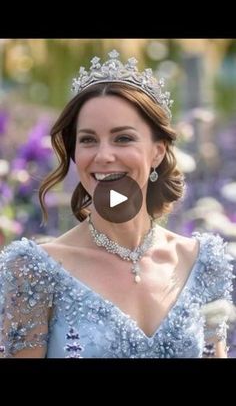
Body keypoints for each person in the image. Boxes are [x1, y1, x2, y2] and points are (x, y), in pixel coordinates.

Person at [0, 49, 235, 358]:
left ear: (158, 152)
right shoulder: (33, 271)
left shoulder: (203, 263)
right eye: (87, 140)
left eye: (123, 138)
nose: (103, 155)